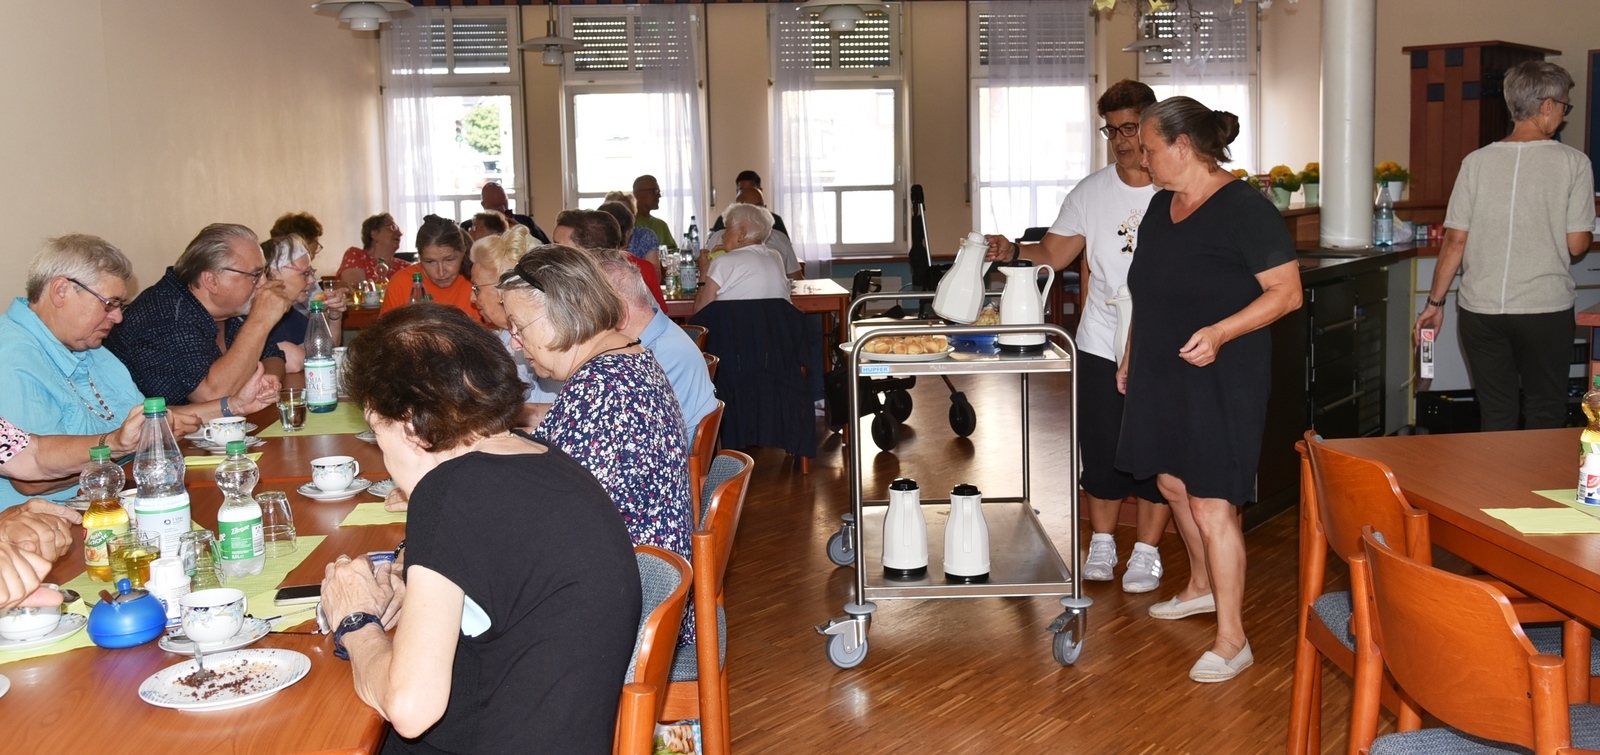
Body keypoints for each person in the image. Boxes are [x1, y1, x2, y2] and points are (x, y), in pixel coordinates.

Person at [319, 303, 640, 753]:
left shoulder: (448, 492)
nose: (385, 458)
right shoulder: (541, 458)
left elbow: (411, 710)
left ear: (411, 425)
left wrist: (355, 621)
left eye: (378, 431)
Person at [1115, 96, 1301, 683]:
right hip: (1162, 367)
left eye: (1148, 148)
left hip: (1223, 370)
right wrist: (1129, 355)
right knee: (1171, 480)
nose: (1141, 160)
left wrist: (1221, 332)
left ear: (1183, 146)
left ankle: (1233, 638)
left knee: (1212, 501)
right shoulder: (1159, 208)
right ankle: (1199, 587)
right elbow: (1148, 291)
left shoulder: (1246, 209)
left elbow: (1286, 293)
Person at [982, 80, 1170, 594]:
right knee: (1103, 444)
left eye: (1130, 128)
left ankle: (1148, 551)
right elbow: (1055, 254)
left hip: (1160, 343)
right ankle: (1104, 542)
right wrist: (1010, 250)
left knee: (1154, 447)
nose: (1121, 140)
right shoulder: (1092, 192)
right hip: (1098, 338)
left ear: (1154, 124)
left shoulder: (1176, 186)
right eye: (1112, 130)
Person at [0, 234, 271, 508]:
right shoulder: (11, 355)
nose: (117, 317)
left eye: (120, 306)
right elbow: (31, 479)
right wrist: (120, 446)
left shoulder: (89, 347)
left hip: (117, 497)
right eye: (109, 304)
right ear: (61, 291)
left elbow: (144, 423)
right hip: (49, 521)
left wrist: (233, 405)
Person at [1415, 60, 1596, 431]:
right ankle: (1532, 490)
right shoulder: (1574, 163)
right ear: (1547, 106)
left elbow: (1455, 240)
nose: (1562, 117)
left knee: (1496, 412)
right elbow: (1577, 245)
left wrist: (1434, 304)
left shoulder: (1475, 162)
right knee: (1544, 411)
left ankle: (1491, 489)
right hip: (1544, 308)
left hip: (1481, 311)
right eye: (1564, 107)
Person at [499, 246, 693, 589]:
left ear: (561, 314)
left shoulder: (600, 387)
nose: (515, 343)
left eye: (518, 327)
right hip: (640, 573)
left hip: (625, 593)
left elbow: (551, 517)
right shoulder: (627, 358)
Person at [105, 224, 296, 406]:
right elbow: (212, 395)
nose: (263, 283)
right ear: (211, 280)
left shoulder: (235, 307)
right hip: (157, 435)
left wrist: (267, 379)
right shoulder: (166, 313)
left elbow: (272, 355)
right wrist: (259, 322)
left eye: (264, 273)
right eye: (255, 275)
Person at [590, 246, 717, 445]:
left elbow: (616, 432)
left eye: (587, 306)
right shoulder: (653, 338)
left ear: (617, 310)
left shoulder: (657, 355)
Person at [469, 225, 564, 424]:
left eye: (476, 288)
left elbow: (499, 398)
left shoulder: (526, 336)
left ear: (503, 288)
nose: (472, 297)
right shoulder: (508, 332)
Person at [552, 209, 668, 312]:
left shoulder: (621, 285)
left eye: (559, 246)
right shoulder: (572, 281)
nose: (552, 251)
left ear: (587, 252)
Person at [264, 234, 347, 372]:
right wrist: (305, 351)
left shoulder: (290, 313)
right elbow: (294, 361)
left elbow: (328, 346)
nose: (312, 281)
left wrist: (335, 314)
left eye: (312, 273)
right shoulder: (259, 314)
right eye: (304, 274)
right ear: (274, 274)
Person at [379, 215, 483, 324]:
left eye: (449, 260)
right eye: (430, 262)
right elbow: (385, 336)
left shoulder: (479, 281)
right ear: (419, 257)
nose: (441, 272)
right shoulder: (401, 283)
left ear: (463, 252)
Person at [695, 203, 791, 312]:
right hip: (773, 328)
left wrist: (703, 273)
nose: (723, 235)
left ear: (741, 233)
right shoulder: (776, 257)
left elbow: (700, 313)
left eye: (727, 229)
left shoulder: (722, 262)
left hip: (734, 328)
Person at [705, 186, 800, 278]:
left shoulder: (780, 239)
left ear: (765, 209)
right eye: (746, 208)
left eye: (757, 207)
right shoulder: (719, 237)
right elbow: (706, 277)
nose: (752, 214)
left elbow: (796, 278)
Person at [462, 182, 550, 244]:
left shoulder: (524, 221)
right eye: (496, 205)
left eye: (505, 203)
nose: (503, 209)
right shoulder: (469, 227)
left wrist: (522, 233)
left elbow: (546, 247)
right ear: (484, 205)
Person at [338, 213, 403, 288]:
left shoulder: (405, 266)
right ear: (374, 233)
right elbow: (356, 289)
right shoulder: (356, 255)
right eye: (393, 228)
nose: (400, 233)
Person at [602, 192, 662, 264]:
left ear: (633, 216)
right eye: (614, 211)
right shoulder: (598, 237)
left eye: (625, 212)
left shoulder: (645, 236)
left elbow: (654, 272)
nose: (620, 216)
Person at [632, 174, 676, 251]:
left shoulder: (661, 225)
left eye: (659, 191)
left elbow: (673, 252)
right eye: (654, 191)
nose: (659, 195)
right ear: (638, 194)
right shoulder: (628, 224)